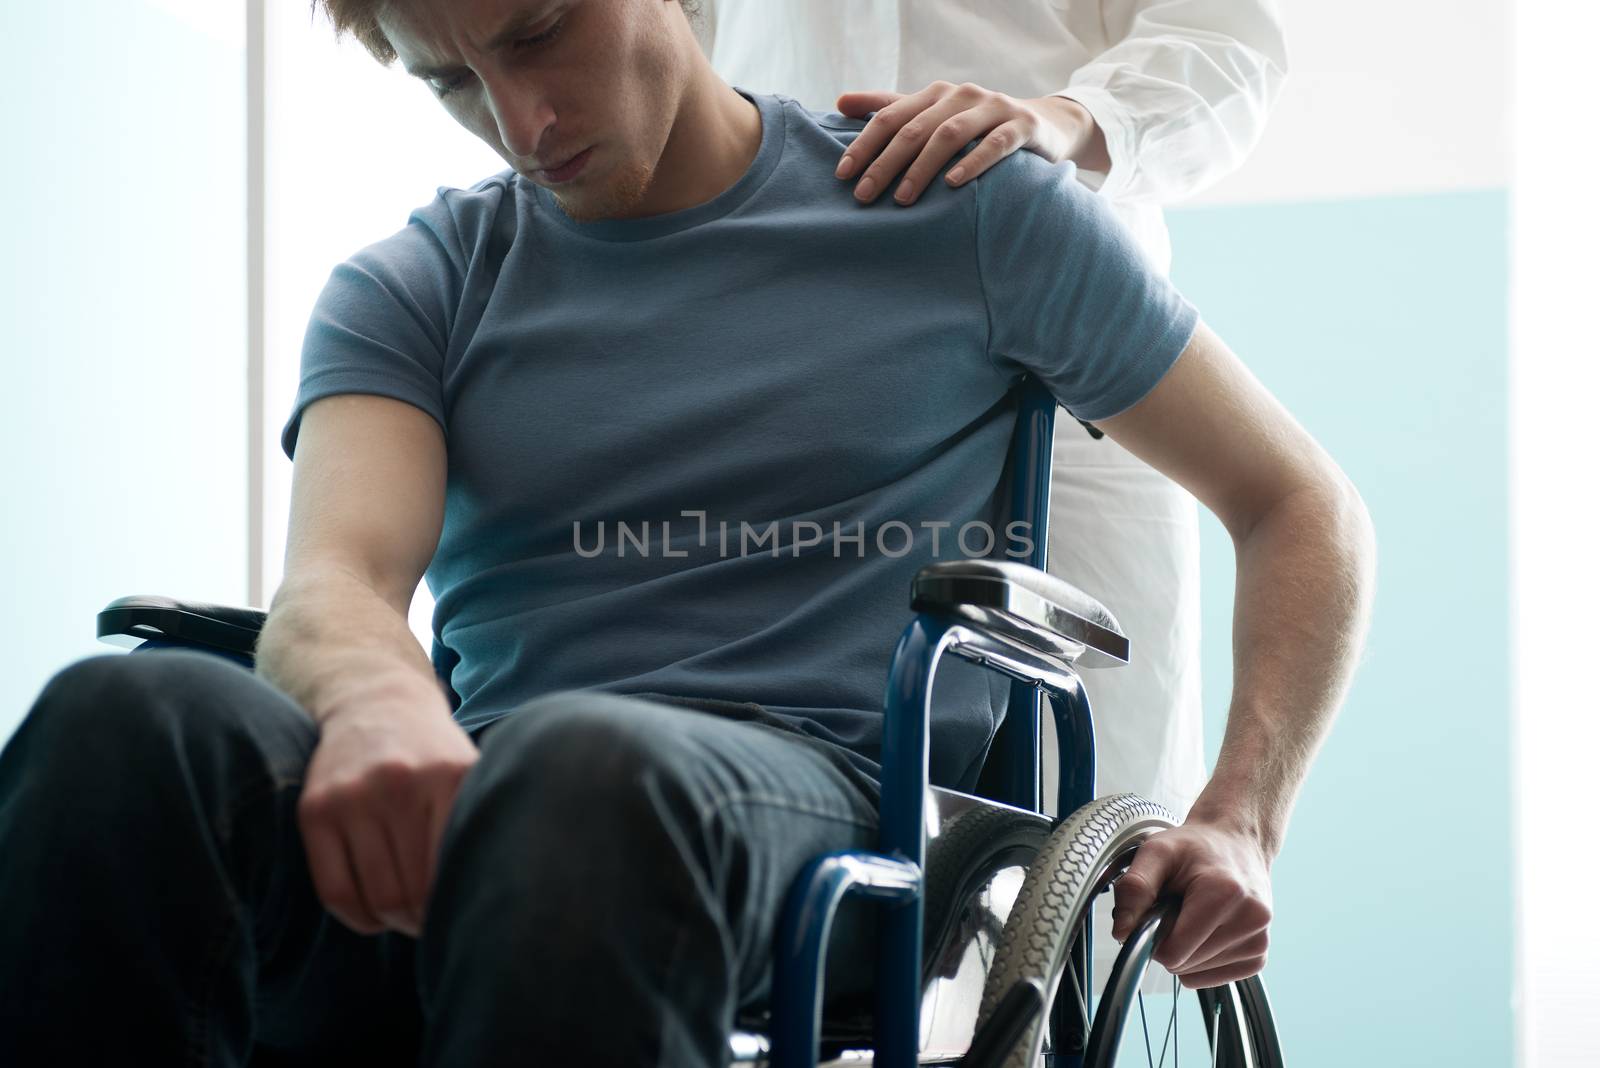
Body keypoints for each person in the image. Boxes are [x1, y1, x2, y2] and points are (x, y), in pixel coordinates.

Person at [0, 2, 1371, 1065]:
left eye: (543, 29)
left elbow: (1301, 505)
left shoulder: (965, 212)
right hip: (490, 821)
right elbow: (338, 582)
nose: (524, 120)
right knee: (127, 725)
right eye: (453, 78)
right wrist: (370, 701)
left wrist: (1242, 818)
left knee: (579, 768)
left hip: (820, 828)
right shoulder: (416, 283)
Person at [692, 0, 1289, 990]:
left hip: (1069, 377)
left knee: (1091, 872)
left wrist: (1067, 119)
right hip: (778, 369)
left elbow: (1227, 43)